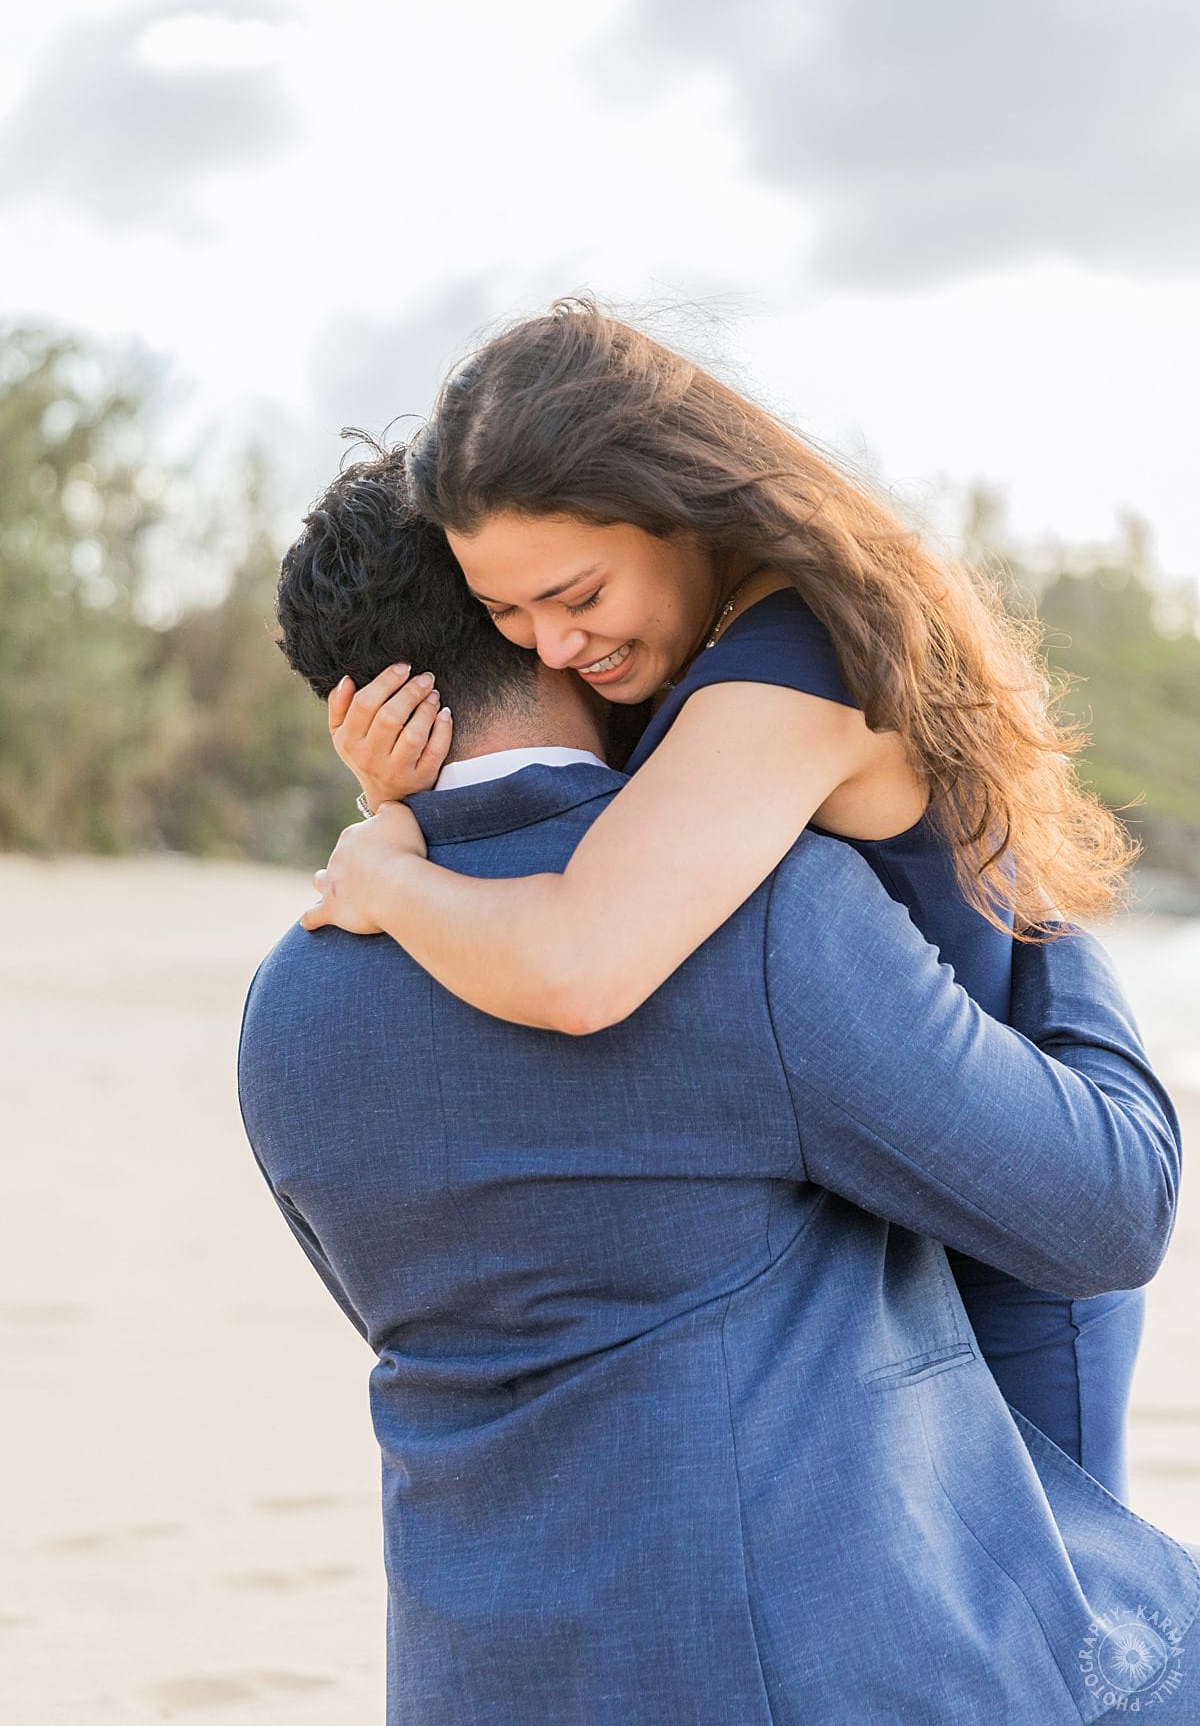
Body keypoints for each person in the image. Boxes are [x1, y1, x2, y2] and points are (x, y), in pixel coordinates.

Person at [243, 449, 1198, 1722]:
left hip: (488, 1677)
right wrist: (1020, 879)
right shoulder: (762, 915)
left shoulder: (292, 1002)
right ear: (532, 625)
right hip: (820, 1664)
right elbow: (1110, 1208)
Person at [303, 302, 1146, 1498]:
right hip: (869, 1223)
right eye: (506, 615)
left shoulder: (799, 663)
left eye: (577, 594)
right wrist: (406, 788)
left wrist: (387, 869)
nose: (549, 647)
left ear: (674, 506)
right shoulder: (696, 642)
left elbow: (577, 964)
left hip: (999, 1234)